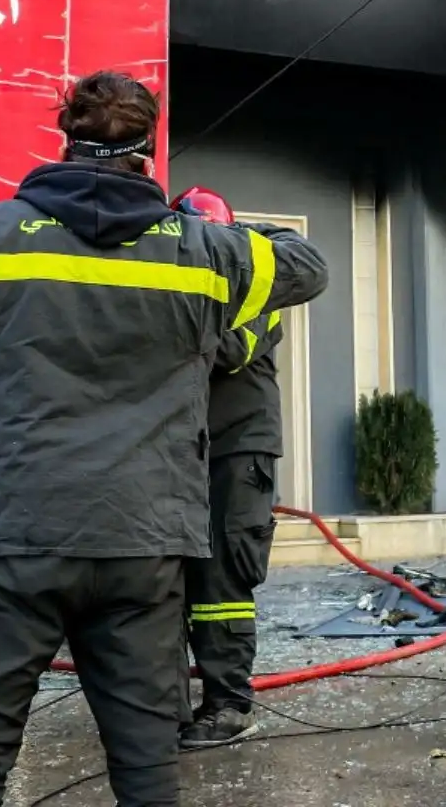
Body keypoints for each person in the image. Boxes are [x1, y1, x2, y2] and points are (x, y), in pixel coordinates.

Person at [0, 71, 328, 807]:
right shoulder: (202, 251)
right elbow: (308, 267)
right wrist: (211, 231)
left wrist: (11, 365)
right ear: (148, 150)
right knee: (146, 770)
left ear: (65, 137)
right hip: (145, 543)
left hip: (18, 540)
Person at [169, 187, 286, 747]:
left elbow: (227, 351)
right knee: (163, 575)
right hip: (177, 448)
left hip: (237, 448)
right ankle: (161, 707)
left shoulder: (255, 289)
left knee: (222, 580)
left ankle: (229, 706)